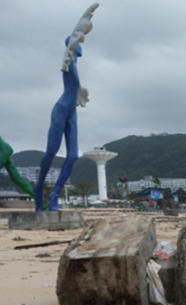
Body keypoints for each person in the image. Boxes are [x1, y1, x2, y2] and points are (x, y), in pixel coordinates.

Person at [34, 4, 99, 211]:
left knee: (73, 156)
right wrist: (80, 28)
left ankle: (54, 194)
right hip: (61, 108)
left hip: (72, 112)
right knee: (51, 152)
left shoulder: (75, 65)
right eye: (78, 43)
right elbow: (70, 46)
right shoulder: (69, 62)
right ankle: (38, 188)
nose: (81, 46)